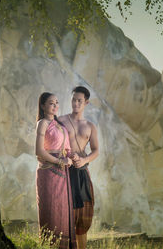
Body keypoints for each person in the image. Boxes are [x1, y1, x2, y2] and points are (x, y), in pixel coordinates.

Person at [59, 86, 99, 249]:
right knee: (64, 216)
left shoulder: (90, 126)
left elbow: (96, 150)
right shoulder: (60, 121)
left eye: (79, 101)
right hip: (64, 172)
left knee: (82, 218)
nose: (75, 103)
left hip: (82, 172)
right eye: (73, 99)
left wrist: (84, 160)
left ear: (86, 103)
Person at [35, 92, 77, 249]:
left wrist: (74, 157)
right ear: (43, 105)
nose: (55, 105)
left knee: (62, 212)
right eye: (51, 103)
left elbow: (67, 149)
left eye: (57, 103)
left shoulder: (61, 126)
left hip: (62, 174)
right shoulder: (43, 123)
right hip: (48, 172)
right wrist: (59, 161)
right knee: (51, 211)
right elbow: (39, 151)